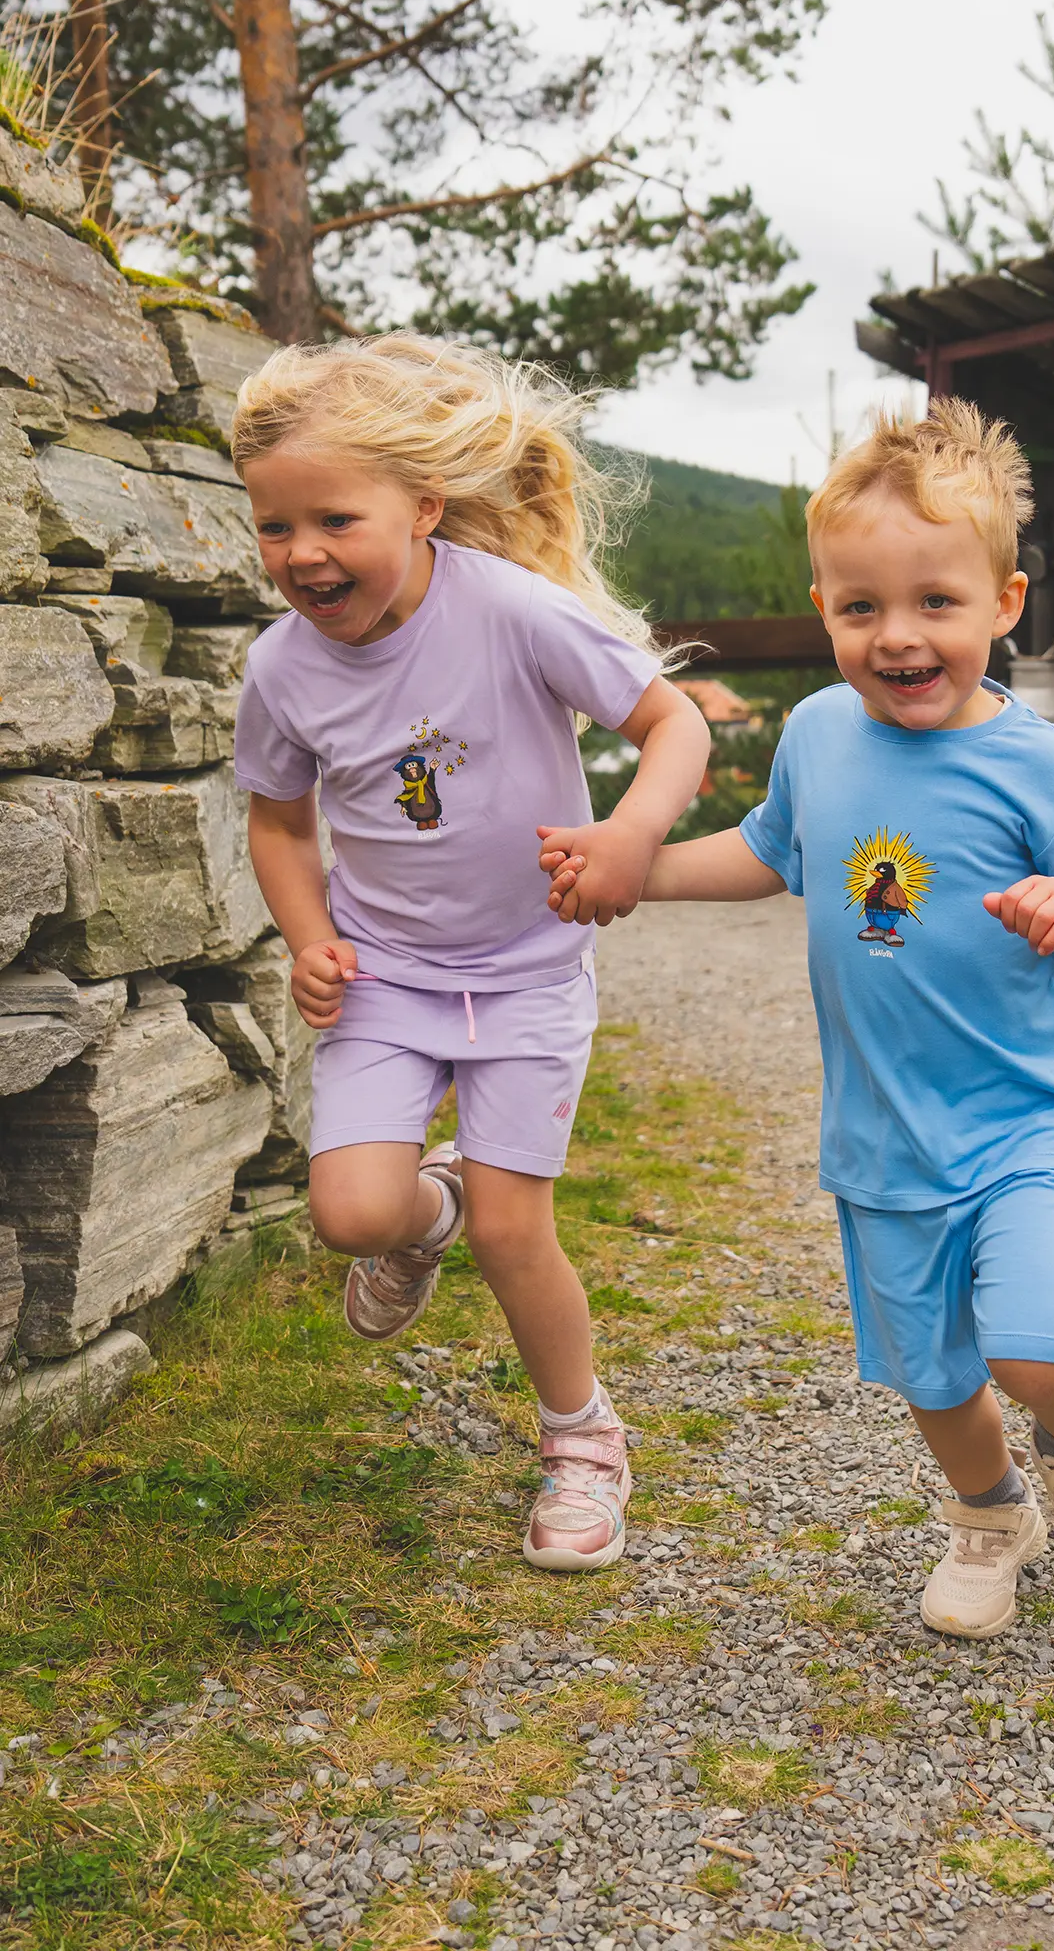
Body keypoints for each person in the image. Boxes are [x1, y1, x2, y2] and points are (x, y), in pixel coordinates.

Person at [542, 399, 1054, 1638]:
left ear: (1002, 601)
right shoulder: (817, 735)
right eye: (859, 606)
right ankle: (989, 1513)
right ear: (822, 607)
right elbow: (771, 852)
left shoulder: (1037, 761)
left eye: (935, 601)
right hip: (883, 1136)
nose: (898, 635)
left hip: (1028, 1114)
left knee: (1036, 1346)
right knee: (931, 1376)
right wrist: (632, 861)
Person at [230, 336, 711, 1573]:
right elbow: (279, 818)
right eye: (274, 525)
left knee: (516, 1229)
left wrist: (629, 832)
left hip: (529, 970)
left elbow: (670, 723)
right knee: (350, 1212)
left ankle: (581, 1435)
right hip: (385, 973)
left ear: (424, 504)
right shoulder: (279, 670)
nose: (302, 554)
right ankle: (420, 1212)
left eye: (334, 517)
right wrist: (310, 936)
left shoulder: (507, 610)